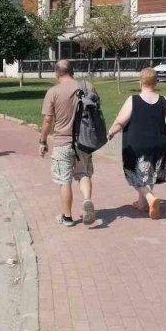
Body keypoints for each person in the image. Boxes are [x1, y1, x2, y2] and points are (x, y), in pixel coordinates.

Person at [106, 68, 166, 220]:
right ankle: (143, 204)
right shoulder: (165, 100)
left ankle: (150, 198)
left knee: (134, 174)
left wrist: (110, 133)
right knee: (151, 173)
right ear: (155, 82)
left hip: (138, 145)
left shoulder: (133, 100)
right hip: (160, 144)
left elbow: (120, 121)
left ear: (140, 81)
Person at [39, 59, 97, 227]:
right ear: (73, 71)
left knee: (65, 181)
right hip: (84, 141)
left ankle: (67, 217)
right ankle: (87, 200)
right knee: (84, 174)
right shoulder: (87, 87)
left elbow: (48, 120)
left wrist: (42, 140)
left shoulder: (53, 92)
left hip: (62, 142)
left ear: (57, 73)